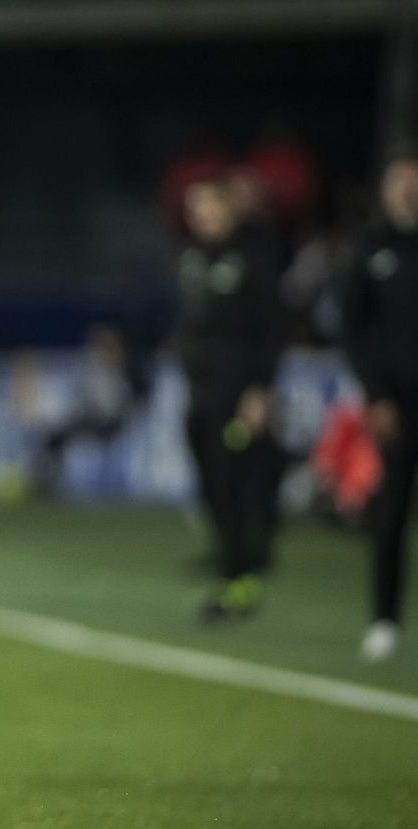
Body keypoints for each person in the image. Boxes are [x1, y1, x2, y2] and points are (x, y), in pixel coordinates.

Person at [174, 175, 284, 622]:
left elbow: (272, 328)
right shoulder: (192, 259)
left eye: (211, 208)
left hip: (237, 393)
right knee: (209, 484)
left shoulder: (252, 259)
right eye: (196, 210)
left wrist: (260, 389)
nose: (204, 218)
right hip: (200, 391)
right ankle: (231, 565)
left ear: (229, 210)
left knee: (234, 481)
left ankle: (240, 579)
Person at [341, 148, 418, 663]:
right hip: (399, 405)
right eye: (403, 184)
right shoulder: (370, 250)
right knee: (392, 512)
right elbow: (353, 329)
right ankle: (384, 620)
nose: (411, 193)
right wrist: (375, 395)